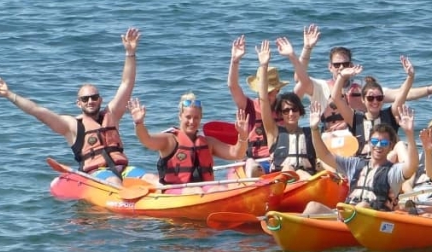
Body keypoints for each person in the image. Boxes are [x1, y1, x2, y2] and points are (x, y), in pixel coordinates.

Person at [0, 27, 150, 186]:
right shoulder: (71, 126)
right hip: (98, 174)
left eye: (94, 97)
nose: (90, 101)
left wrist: (130, 53)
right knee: (114, 181)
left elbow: (127, 84)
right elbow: (37, 111)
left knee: (152, 178)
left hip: (123, 168)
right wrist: (9, 94)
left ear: (100, 100)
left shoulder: (112, 115)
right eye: (85, 99)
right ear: (78, 103)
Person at [293, 29, 432, 130]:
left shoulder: (366, 92)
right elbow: (299, 77)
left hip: (359, 139)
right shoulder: (320, 87)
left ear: (352, 64)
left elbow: (400, 95)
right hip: (330, 139)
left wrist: (431, 90)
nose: (341, 67)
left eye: (345, 63)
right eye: (337, 65)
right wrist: (307, 48)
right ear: (330, 67)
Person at [303, 98, 418, 215]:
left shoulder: (393, 171)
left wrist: (409, 134)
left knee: (363, 205)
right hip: (348, 215)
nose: (378, 146)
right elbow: (324, 155)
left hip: (374, 218)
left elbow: (412, 166)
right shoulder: (355, 164)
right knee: (313, 207)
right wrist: (314, 129)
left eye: (383, 143)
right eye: (374, 141)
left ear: (390, 146)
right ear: (369, 143)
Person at [228, 33, 313, 177]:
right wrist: (235, 61)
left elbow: (304, 82)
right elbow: (233, 86)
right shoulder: (248, 105)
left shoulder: (286, 107)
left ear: (278, 90)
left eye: (270, 91)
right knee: (252, 167)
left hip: (283, 160)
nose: (266, 95)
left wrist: (294, 55)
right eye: (264, 91)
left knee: (290, 168)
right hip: (256, 160)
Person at [128, 94, 248, 192]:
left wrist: (243, 136)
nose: (192, 121)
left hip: (204, 189)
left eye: (196, 117)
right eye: (188, 117)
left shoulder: (208, 142)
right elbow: (146, 140)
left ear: (201, 118)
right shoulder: (169, 140)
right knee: (195, 191)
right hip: (175, 190)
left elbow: (236, 154)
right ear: (180, 116)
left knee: (220, 189)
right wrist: (139, 124)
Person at [330, 57, 415, 159]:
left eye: (379, 98)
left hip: (387, 164)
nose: (375, 101)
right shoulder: (355, 118)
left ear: (383, 99)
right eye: (370, 98)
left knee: (400, 146)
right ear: (363, 100)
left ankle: (408, 173)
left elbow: (402, 94)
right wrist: (341, 76)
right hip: (362, 165)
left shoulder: (390, 115)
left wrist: (410, 76)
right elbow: (336, 98)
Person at [255, 40, 317, 178]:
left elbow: (305, 82)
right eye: (286, 111)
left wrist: (294, 55)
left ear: (300, 112)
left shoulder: (310, 133)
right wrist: (264, 66)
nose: (290, 113)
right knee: (289, 167)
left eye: (294, 109)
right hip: (282, 182)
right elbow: (263, 99)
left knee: (302, 171)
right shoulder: (273, 132)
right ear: (280, 114)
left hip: (306, 181)